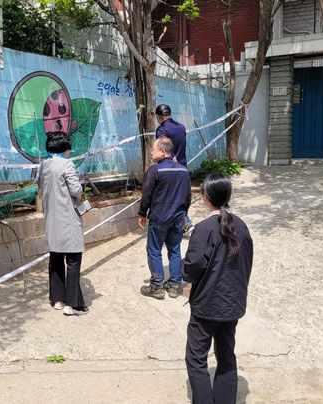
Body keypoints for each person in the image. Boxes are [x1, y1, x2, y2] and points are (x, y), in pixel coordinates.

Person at [182, 173, 253, 404]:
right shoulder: (241, 226)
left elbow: (192, 267)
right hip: (232, 304)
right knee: (226, 357)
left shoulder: (203, 229)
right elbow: (247, 264)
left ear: (205, 197)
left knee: (196, 359)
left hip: (206, 306)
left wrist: (184, 272)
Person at [37, 132, 89, 316]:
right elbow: (76, 190)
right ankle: (72, 304)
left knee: (56, 258)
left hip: (51, 219)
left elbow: (39, 186)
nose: (69, 150)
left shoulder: (43, 165)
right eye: (68, 147)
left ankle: (57, 299)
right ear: (63, 148)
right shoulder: (67, 165)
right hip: (68, 218)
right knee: (73, 261)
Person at [137, 137, 191, 299]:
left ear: (162, 151)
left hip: (159, 218)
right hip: (177, 218)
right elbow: (187, 197)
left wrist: (142, 213)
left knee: (154, 250)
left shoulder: (155, 170)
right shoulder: (183, 170)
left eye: (153, 150)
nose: (152, 153)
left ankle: (156, 286)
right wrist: (184, 215)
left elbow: (146, 195)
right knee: (174, 250)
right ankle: (175, 285)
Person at [155, 103, 193, 231]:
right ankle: (185, 221)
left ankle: (182, 222)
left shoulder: (161, 130)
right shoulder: (181, 127)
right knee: (181, 195)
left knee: (170, 197)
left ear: (159, 117)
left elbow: (164, 150)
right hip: (182, 166)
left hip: (170, 167)